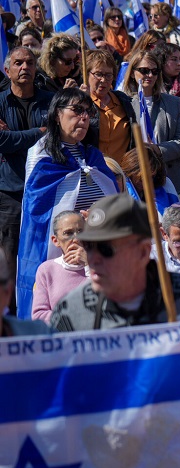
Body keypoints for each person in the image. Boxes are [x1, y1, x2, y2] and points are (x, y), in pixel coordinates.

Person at [18, 90, 119, 318]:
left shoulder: (93, 156)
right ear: (57, 115)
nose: (84, 117)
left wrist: (99, 217)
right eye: (77, 110)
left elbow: (113, 202)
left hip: (97, 249)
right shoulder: (41, 155)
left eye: (88, 112)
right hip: (59, 249)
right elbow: (36, 210)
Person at [50, 194, 180, 331]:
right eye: (88, 247)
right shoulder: (70, 311)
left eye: (106, 249)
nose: (93, 259)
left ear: (143, 251)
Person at [0, 47, 52, 286]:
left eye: (30, 63)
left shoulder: (51, 101)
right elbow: (2, 142)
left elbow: (57, 137)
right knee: (8, 258)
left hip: (45, 189)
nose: (25, 67)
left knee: (42, 254)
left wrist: (15, 138)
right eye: (18, 63)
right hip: (10, 192)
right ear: (7, 70)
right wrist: (39, 132)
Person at [123, 49, 180, 189]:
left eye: (154, 71)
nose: (150, 75)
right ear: (133, 72)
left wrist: (158, 149)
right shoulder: (124, 103)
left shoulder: (173, 103)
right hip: (134, 178)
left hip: (167, 177)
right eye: (144, 70)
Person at [31, 210, 87, 322]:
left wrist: (89, 264)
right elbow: (39, 315)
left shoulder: (101, 264)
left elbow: (109, 302)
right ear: (56, 241)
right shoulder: (46, 270)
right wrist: (75, 321)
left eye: (81, 231)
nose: (76, 239)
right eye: (68, 233)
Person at [120, 145, 180, 214]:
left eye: (151, 177)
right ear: (130, 173)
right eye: (141, 178)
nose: (146, 183)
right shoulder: (118, 192)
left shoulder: (166, 187)